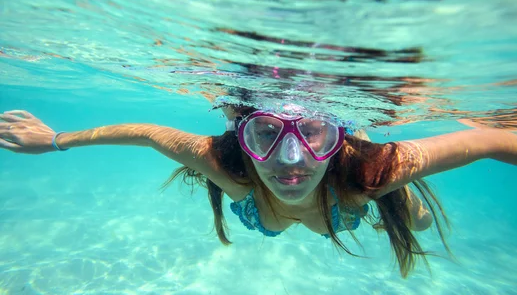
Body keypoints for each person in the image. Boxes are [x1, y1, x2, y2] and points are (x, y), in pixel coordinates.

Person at [1, 104, 516, 277]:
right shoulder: (229, 168)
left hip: (356, 191)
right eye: (265, 133)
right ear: (241, 138)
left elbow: (490, 137)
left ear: (335, 138)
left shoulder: (369, 171)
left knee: (417, 219)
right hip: (336, 196)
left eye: (314, 131)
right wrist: (52, 140)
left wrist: (53, 142)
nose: (290, 163)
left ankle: (374, 170)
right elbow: (147, 134)